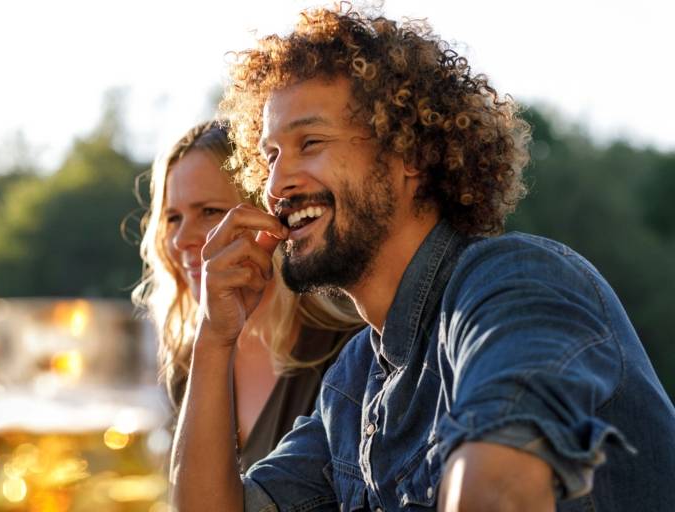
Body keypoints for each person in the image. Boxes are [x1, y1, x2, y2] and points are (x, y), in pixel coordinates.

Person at [169, 5, 675, 512]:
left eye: (311, 143)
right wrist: (215, 337)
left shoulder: (516, 284)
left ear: (409, 153)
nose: (277, 185)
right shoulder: (354, 382)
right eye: (271, 156)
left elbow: (500, 490)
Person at [133, 120, 363, 472]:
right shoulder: (182, 362)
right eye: (173, 218)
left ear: (268, 216)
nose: (181, 241)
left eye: (209, 211)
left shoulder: (348, 351)